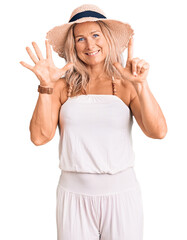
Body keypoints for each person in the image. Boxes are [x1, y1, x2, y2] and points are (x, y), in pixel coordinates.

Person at [20, 4, 167, 240]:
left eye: (95, 35)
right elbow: (39, 137)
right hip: (73, 196)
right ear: (73, 45)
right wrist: (45, 86)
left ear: (107, 39)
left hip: (121, 195)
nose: (90, 45)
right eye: (80, 39)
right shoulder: (60, 86)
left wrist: (141, 86)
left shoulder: (127, 83)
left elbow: (158, 131)